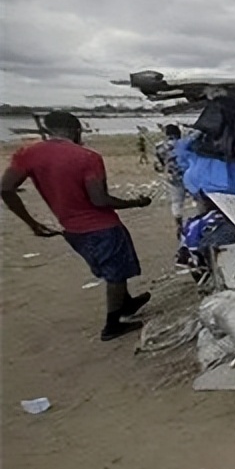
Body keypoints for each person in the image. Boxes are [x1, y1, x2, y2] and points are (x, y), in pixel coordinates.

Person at [1, 111, 153, 341]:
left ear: (48, 130)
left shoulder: (28, 154)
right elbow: (99, 200)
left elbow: (6, 188)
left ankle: (126, 303)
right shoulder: (87, 157)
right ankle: (113, 324)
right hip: (102, 226)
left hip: (72, 229)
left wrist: (32, 223)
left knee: (111, 268)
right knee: (116, 273)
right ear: (76, 130)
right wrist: (135, 203)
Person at [153, 123, 188, 236]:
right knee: (199, 199)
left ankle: (179, 224)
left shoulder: (159, 147)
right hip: (189, 175)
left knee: (177, 201)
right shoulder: (185, 144)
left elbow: (158, 166)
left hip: (172, 176)